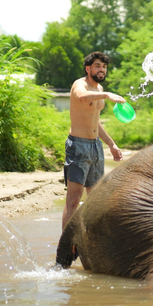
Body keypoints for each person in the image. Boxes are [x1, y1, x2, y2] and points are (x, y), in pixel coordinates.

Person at [62, 51, 125, 229]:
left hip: (95, 146)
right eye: (98, 66)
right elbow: (81, 97)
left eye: (104, 67)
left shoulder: (99, 89)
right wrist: (107, 96)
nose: (102, 70)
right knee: (73, 201)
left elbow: (95, 121)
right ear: (88, 68)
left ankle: (92, 240)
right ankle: (65, 248)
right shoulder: (79, 85)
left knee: (96, 199)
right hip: (78, 146)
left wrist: (111, 144)